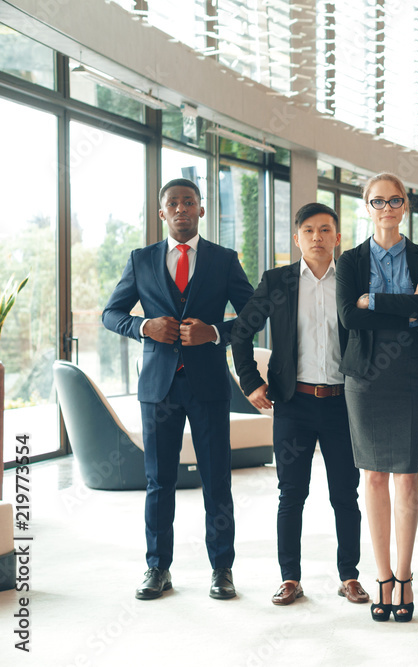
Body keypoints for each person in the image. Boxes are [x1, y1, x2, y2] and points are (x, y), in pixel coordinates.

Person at [102, 178, 254, 600]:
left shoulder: (224, 260)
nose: (182, 208)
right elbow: (111, 314)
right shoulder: (141, 259)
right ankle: (157, 568)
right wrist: (143, 326)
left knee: (217, 480)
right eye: (174, 203)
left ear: (202, 211)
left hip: (208, 386)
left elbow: (255, 314)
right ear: (161, 213)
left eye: (190, 202)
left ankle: (222, 569)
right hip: (158, 388)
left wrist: (215, 333)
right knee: (158, 481)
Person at [230, 202, 369, 607]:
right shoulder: (278, 281)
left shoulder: (352, 281)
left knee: (346, 494)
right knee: (292, 493)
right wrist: (251, 382)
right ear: (297, 238)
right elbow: (241, 332)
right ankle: (290, 578)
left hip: (344, 405)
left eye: (325, 230)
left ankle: (350, 576)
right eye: (309, 231)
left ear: (337, 237)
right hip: (293, 404)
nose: (317, 237)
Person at [336, 173, 418, 623]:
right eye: (378, 201)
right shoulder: (351, 260)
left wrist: (371, 303)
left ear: (406, 206)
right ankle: (382, 577)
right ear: (366, 207)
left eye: (395, 200)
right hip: (365, 377)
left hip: (412, 373)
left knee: (408, 478)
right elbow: (347, 318)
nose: (387, 208)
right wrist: (402, 305)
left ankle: (405, 574)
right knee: (374, 478)